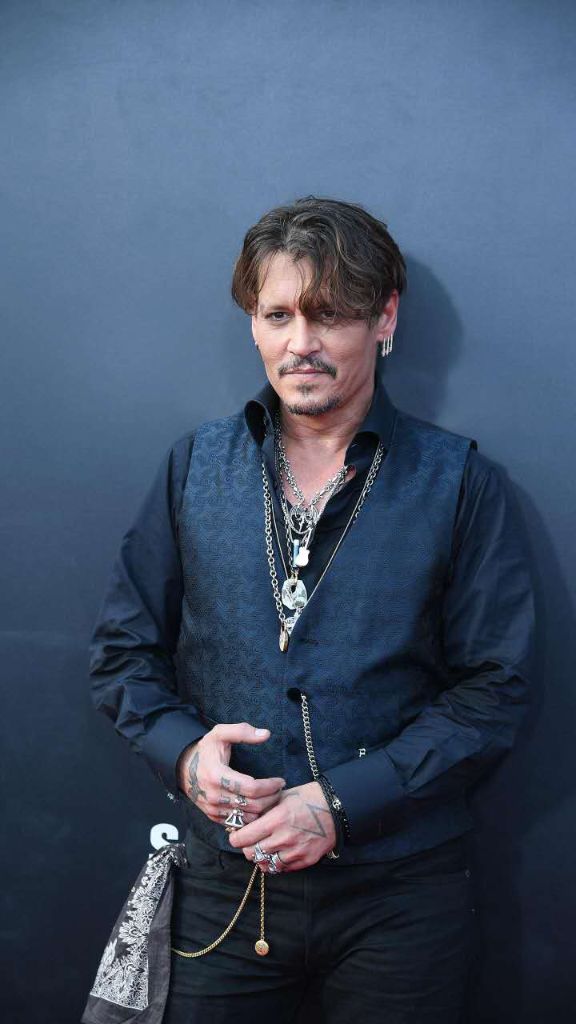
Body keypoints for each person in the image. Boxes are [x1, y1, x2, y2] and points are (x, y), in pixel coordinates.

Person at [89, 196, 535, 1024]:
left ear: (383, 318)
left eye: (329, 315)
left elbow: (493, 690)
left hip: (401, 902)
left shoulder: (459, 483)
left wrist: (339, 804)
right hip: (222, 892)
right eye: (279, 315)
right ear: (254, 325)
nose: (301, 343)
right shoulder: (195, 468)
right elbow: (123, 654)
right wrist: (185, 759)